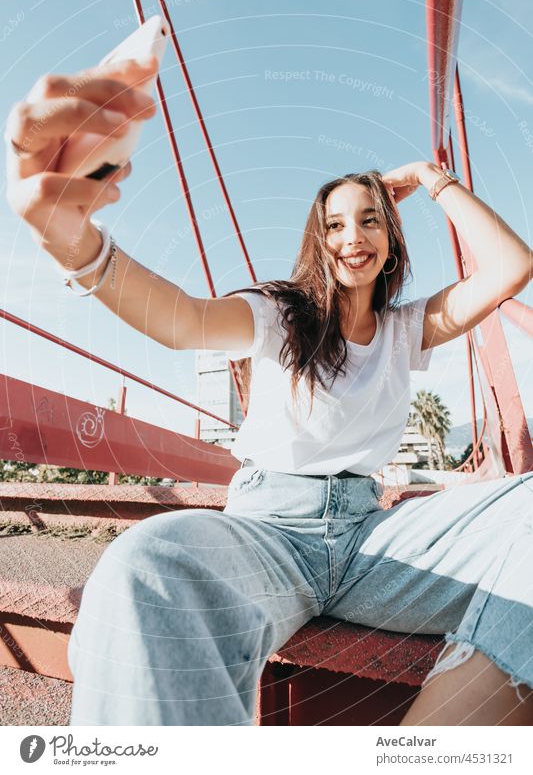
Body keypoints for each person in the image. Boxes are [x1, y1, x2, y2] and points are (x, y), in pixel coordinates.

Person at [5, 58, 533, 727]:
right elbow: (184, 321)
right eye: (335, 223)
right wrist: (74, 242)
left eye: (369, 220)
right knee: (144, 569)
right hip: (268, 533)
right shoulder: (280, 312)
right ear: (318, 237)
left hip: (374, 542)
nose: (352, 236)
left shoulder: (406, 328)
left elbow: (512, 266)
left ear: (391, 239)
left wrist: (433, 178)